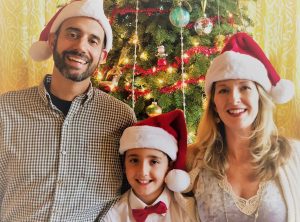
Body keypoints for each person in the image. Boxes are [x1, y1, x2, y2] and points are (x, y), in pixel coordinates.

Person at [0, 0, 136, 221]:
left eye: (93, 41)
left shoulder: (122, 118)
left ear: (102, 56)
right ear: (53, 40)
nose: (81, 47)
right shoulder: (5, 110)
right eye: (73, 34)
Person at [186, 32, 300, 222]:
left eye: (244, 87)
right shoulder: (193, 160)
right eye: (223, 90)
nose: (234, 99)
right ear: (214, 104)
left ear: (259, 97)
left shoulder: (294, 155)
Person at [103, 110, 199, 222]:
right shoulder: (112, 214)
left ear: (169, 166)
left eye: (154, 162)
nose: (143, 171)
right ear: (124, 164)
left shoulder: (186, 211)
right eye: (134, 160)